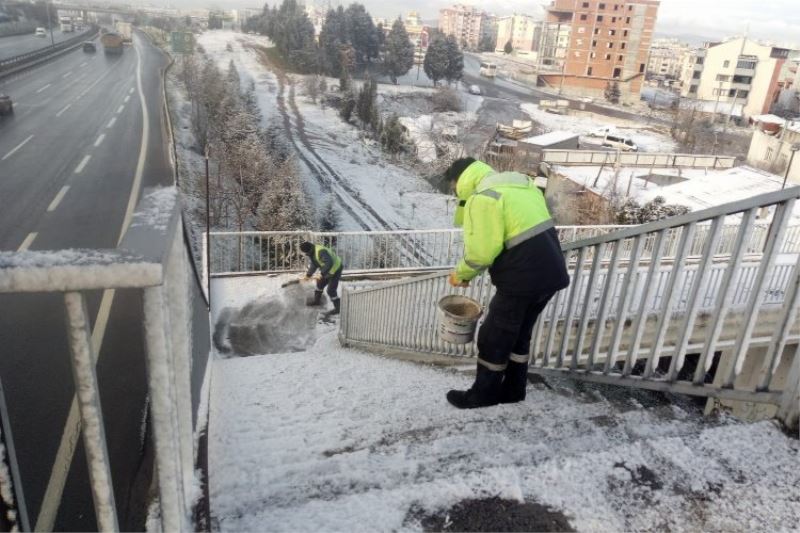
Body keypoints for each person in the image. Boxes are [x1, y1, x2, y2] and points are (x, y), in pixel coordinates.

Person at [444, 158, 570, 409]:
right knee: (519, 333)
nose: (454, 190)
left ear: (461, 180)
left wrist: (462, 275)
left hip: (522, 278)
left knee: (494, 337)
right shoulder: (520, 187)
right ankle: (513, 389)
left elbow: (482, 252)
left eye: (453, 185)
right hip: (551, 275)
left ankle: (483, 395)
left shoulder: (484, 198)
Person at [299, 241, 343, 314]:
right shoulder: (313, 252)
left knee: (331, 290)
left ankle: (338, 309)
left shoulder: (320, 251)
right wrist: (308, 275)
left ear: (308, 250)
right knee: (319, 284)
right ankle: (316, 301)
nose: (305, 254)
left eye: (305, 252)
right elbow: (314, 264)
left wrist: (322, 273)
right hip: (327, 268)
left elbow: (329, 263)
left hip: (335, 268)